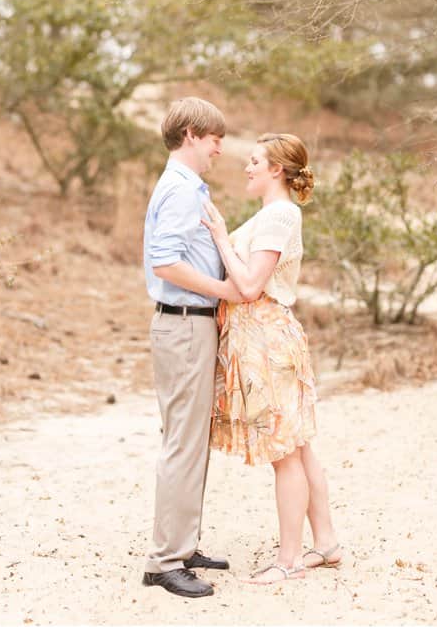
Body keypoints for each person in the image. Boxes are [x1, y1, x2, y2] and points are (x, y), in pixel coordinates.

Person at [200, 133, 343, 584]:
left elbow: (248, 287)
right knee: (299, 447)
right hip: (262, 337)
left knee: (285, 453)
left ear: (276, 170)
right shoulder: (271, 214)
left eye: (255, 161)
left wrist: (222, 237)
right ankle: (327, 543)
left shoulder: (280, 215)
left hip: (266, 340)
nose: (247, 167)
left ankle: (289, 559)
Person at [141, 96, 234, 598]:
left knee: (192, 438)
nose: (220, 149)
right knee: (182, 440)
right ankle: (164, 562)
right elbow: (165, 263)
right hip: (183, 324)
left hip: (192, 325)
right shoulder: (179, 190)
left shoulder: (187, 187)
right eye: (216, 139)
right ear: (193, 134)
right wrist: (225, 291)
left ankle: (182, 543)